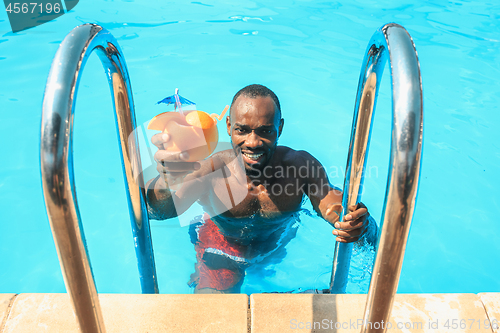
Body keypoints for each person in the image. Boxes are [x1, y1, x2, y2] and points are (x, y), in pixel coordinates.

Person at [146, 84, 370, 293]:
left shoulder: (299, 167)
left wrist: (355, 221)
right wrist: (166, 180)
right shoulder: (211, 172)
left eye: (265, 131)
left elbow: (331, 202)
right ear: (228, 128)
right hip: (221, 248)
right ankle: (204, 272)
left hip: (275, 247)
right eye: (242, 130)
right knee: (213, 312)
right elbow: (158, 212)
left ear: (279, 128)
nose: (253, 142)